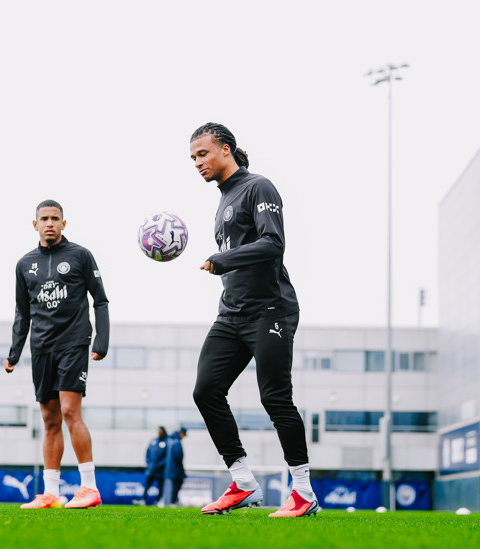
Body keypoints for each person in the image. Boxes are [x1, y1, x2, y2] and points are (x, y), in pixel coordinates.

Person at [188, 122, 317, 518]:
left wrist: (222, 259)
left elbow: (273, 244)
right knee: (206, 391)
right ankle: (243, 482)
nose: (198, 162)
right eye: (193, 158)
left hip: (270, 310)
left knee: (275, 397)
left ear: (225, 149)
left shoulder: (259, 187)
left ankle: (303, 492)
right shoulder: (223, 200)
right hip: (231, 313)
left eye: (203, 153)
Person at [4, 199, 109, 509]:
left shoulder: (80, 255)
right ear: (34, 224)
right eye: (44, 218)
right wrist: (14, 353)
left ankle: (89, 487)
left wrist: (101, 341)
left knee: (69, 411)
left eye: (55, 218)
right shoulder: (24, 264)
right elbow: (22, 313)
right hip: (41, 347)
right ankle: (50, 493)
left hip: (73, 342)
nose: (49, 223)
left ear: (64, 223)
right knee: (49, 420)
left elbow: (100, 300)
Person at [143, 426, 168, 505]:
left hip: (160, 470)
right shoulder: (153, 441)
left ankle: (158, 501)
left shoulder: (166, 442)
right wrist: (149, 463)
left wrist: (160, 464)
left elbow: (167, 457)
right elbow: (147, 453)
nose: (159, 433)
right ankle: (143, 499)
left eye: (161, 432)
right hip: (151, 468)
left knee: (160, 486)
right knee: (147, 485)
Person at [163, 427, 187, 506]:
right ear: (181, 434)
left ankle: (171, 501)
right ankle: (173, 501)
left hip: (170, 468)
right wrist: (180, 470)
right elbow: (178, 457)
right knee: (176, 484)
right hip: (175, 469)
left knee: (173, 485)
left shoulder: (171, 441)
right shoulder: (177, 442)